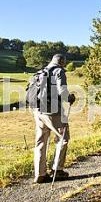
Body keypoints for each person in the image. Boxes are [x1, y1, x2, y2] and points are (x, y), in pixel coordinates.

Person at [32, 54, 76, 184]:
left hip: (37, 111)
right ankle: (58, 170)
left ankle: (40, 174)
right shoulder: (59, 71)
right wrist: (70, 98)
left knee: (41, 141)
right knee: (63, 139)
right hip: (52, 111)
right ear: (62, 62)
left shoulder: (41, 72)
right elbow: (62, 91)